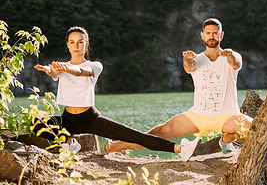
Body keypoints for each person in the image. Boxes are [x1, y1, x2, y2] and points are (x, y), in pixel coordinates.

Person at [32, 26, 201, 161]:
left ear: (86, 43)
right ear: (67, 45)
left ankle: (180, 148)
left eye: (80, 42)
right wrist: (48, 70)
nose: (76, 46)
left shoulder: (95, 65)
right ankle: (70, 142)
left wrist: (65, 68)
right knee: (36, 123)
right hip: (68, 119)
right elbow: (55, 74)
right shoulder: (62, 67)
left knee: (135, 136)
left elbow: (80, 72)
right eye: (72, 42)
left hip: (90, 119)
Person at [101, 18, 253, 154]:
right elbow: (189, 67)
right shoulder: (197, 59)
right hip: (198, 116)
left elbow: (236, 62)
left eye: (215, 33)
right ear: (202, 35)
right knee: (159, 132)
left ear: (221, 35)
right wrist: (187, 59)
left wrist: (230, 55)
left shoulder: (231, 55)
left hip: (227, 116)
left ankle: (228, 139)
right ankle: (111, 147)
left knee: (260, 131)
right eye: (208, 33)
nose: (212, 36)